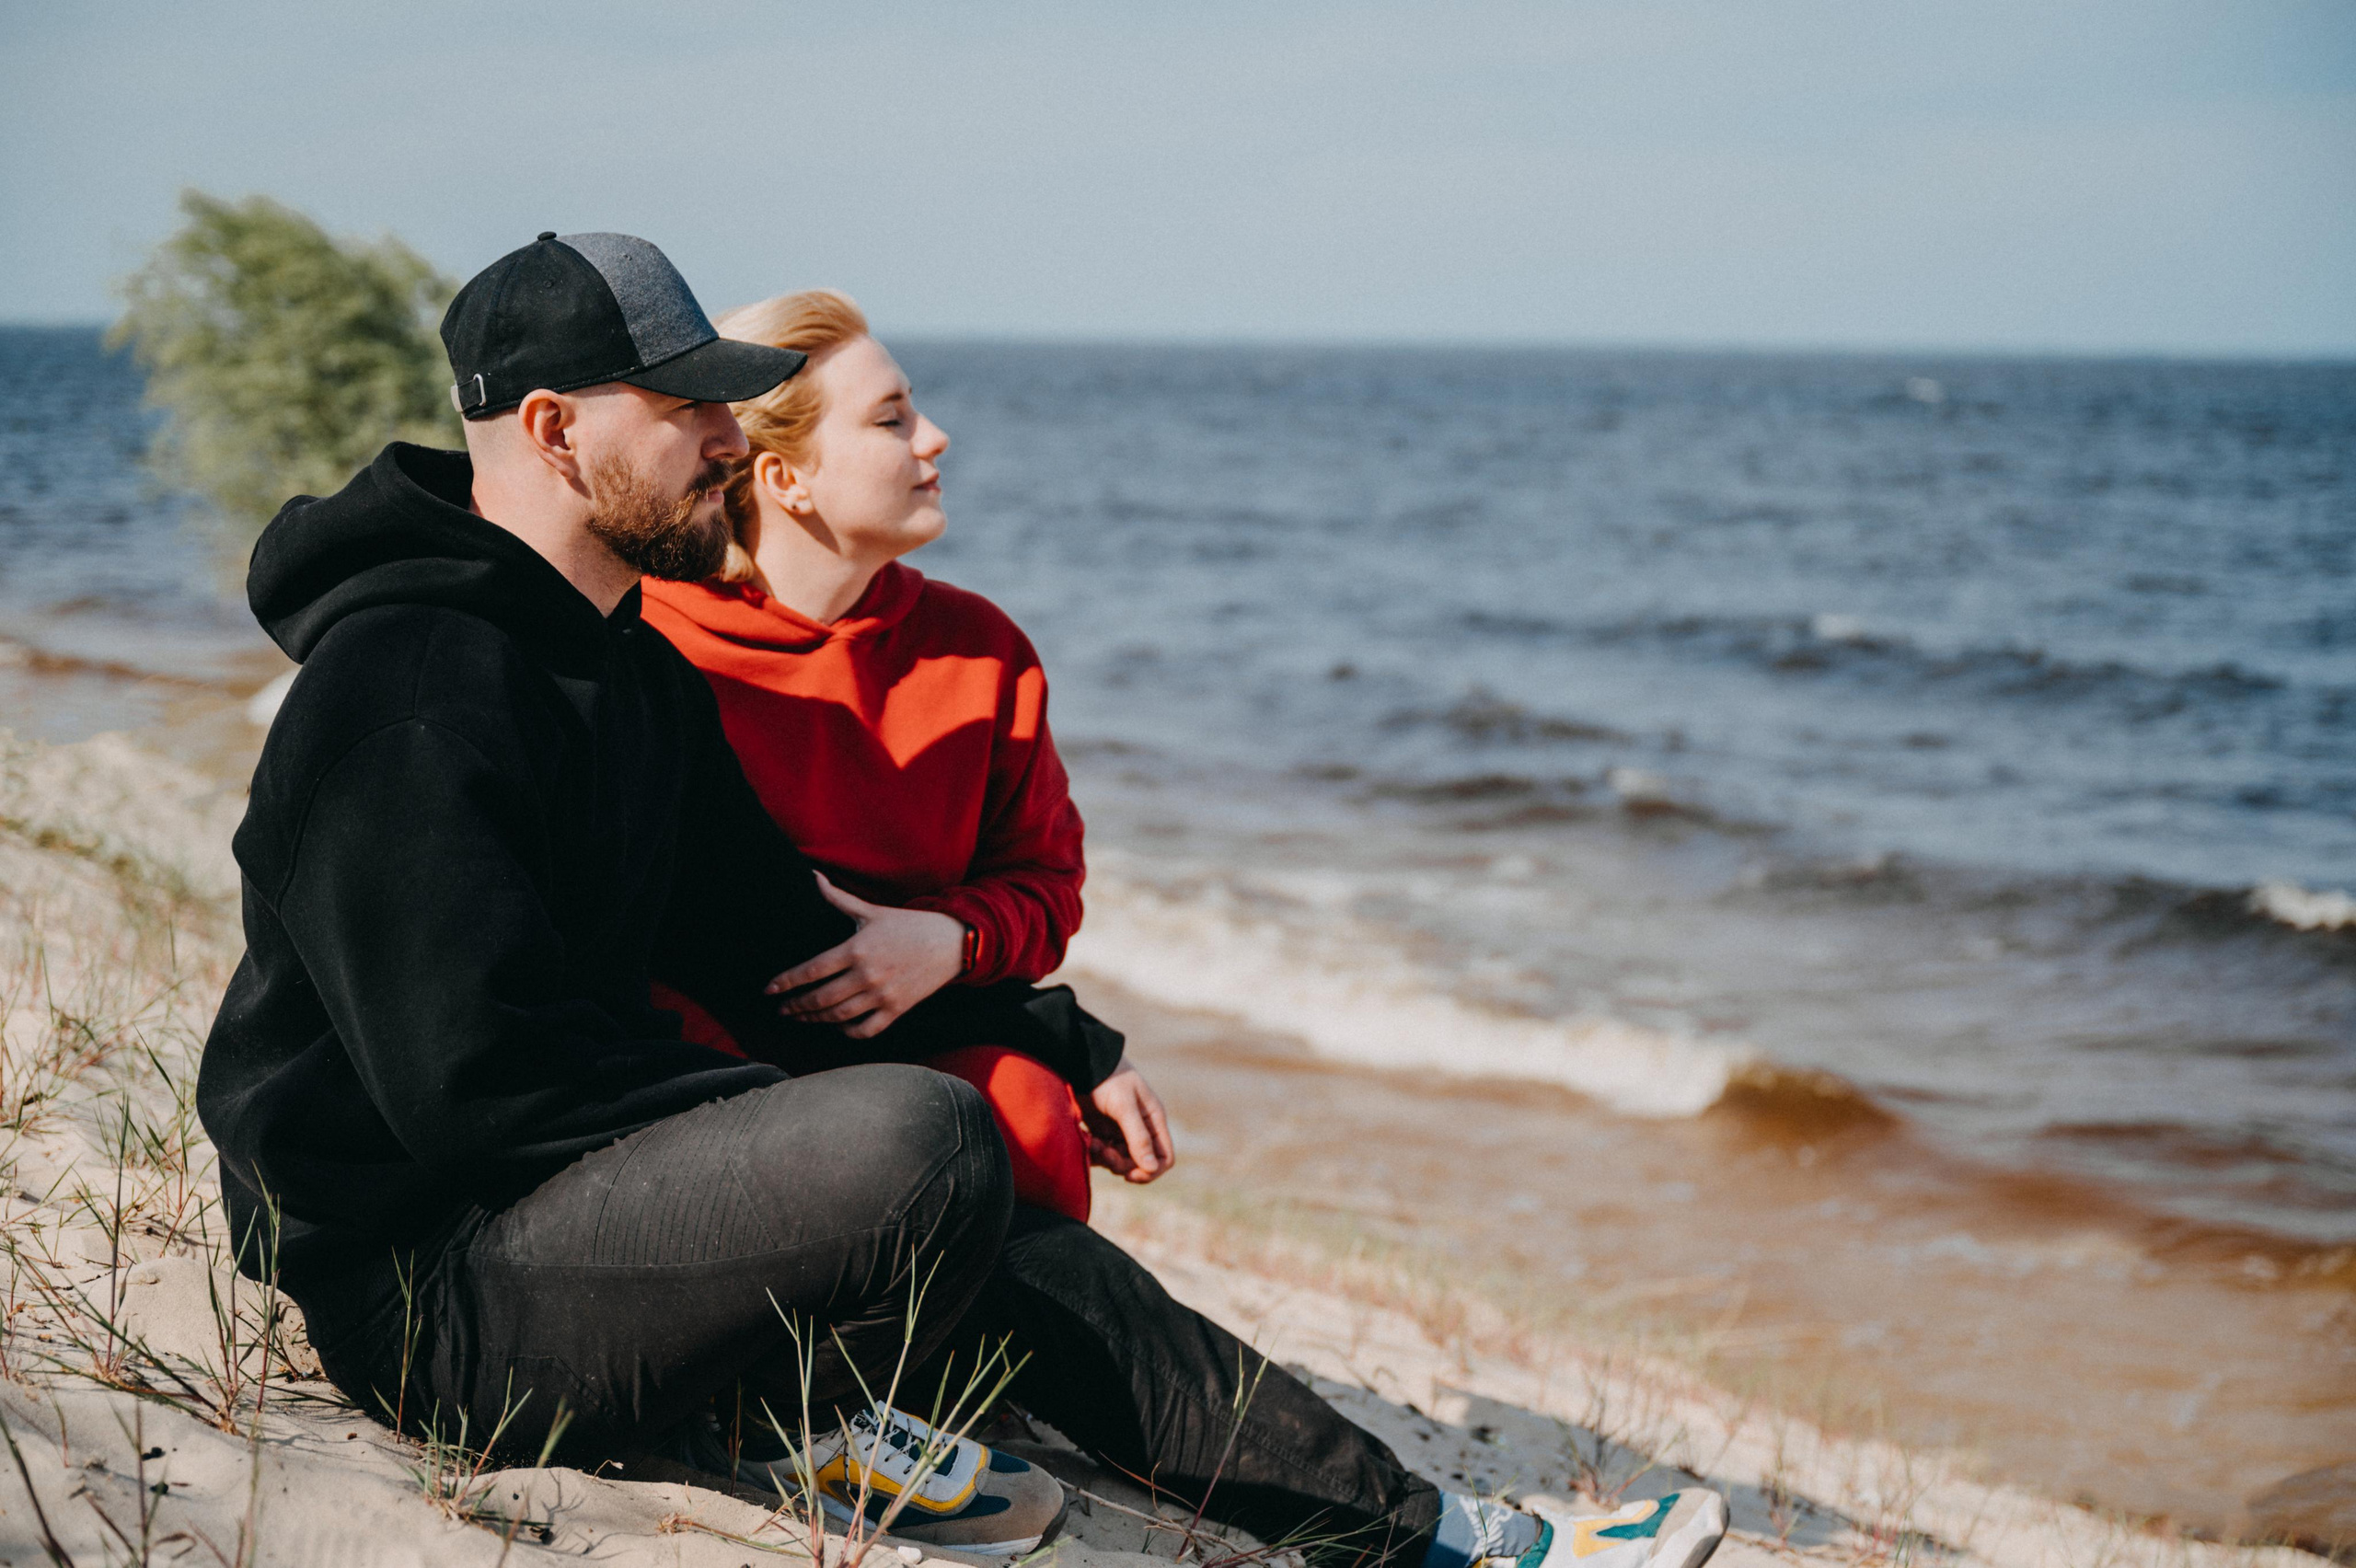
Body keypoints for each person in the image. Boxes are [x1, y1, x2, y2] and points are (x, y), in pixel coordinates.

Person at [193, 230, 1727, 1568]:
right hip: (433, 1299)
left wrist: (1060, 1031)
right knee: (915, 1140)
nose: (729, 438)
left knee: (956, 1162)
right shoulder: (402, 690)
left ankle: (1438, 1534)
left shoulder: (630, 675)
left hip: (576, 1229)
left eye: (733, 402)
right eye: (692, 410)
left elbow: (784, 947)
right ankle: (796, 1407)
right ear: (552, 426)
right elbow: (476, 1088)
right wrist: (804, 1133)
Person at [640, 289, 1158, 1227]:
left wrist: (947, 941)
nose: (937, 438)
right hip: (704, 1043)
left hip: (917, 1029)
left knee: (1032, 1123)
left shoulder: (981, 648)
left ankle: (975, 1367)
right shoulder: (648, 641)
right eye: (892, 420)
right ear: (785, 479)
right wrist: (1079, 1037)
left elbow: (1046, 883)